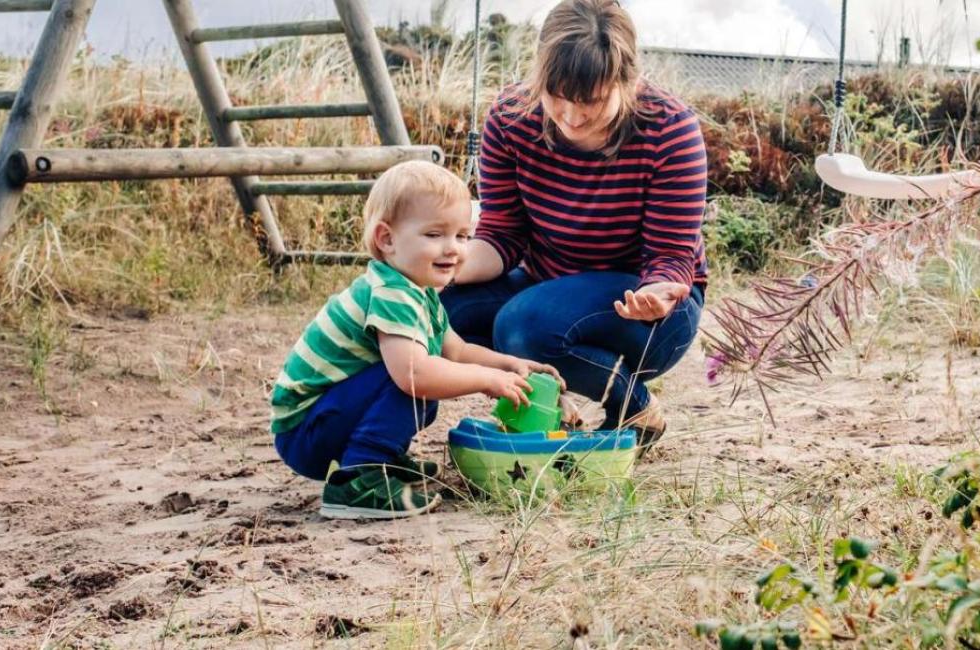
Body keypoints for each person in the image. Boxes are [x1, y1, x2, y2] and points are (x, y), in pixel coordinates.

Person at [443, 0, 708, 451]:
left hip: (644, 310)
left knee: (523, 327)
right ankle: (552, 405)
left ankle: (634, 404)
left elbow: (670, 255)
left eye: (593, 101)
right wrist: (443, 269)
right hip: (544, 285)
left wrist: (660, 291)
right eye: (557, 96)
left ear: (626, 81)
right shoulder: (511, 119)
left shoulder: (669, 129)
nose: (571, 116)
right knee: (435, 313)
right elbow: (502, 235)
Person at [270, 161, 561, 520]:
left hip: (325, 418)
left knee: (429, 378)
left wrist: (508, 365)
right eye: (435, 235)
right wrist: (486, 381)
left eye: (462, 235)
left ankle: (383, 458)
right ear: (387, 239)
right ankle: (360, 476)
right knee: (416, 381)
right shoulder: (392, 293)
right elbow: (414, 374)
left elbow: (456, 350)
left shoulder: (418, 291)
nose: (453, 248)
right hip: (305, 430)